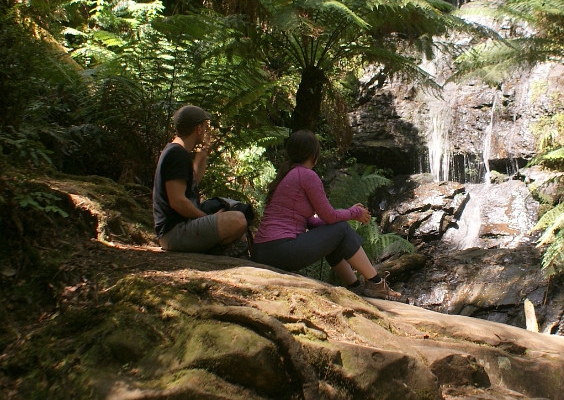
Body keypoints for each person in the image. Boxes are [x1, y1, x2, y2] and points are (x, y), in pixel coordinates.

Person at [251, 130, 403, 301]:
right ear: (314, 154)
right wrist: (354, 213)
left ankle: (356, 287)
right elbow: (330, 216)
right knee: (342, 229)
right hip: (280, 249)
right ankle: (377, 284)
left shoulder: (287, 175)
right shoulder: (306, 175)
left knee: (335, 232)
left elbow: (314, 222)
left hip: (264, 251)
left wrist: (347, 214)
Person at [153, 105, 248, 254]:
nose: (205, 130)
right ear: (198, 129)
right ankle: (218, 249)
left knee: (232, 208)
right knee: (238, 220)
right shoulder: (177, 155)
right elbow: (177, 201)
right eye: (204, 126)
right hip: (175, 233)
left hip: (178, 230)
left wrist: (202, 155)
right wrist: (206, 218)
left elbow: (192, 183)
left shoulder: (176, 151)